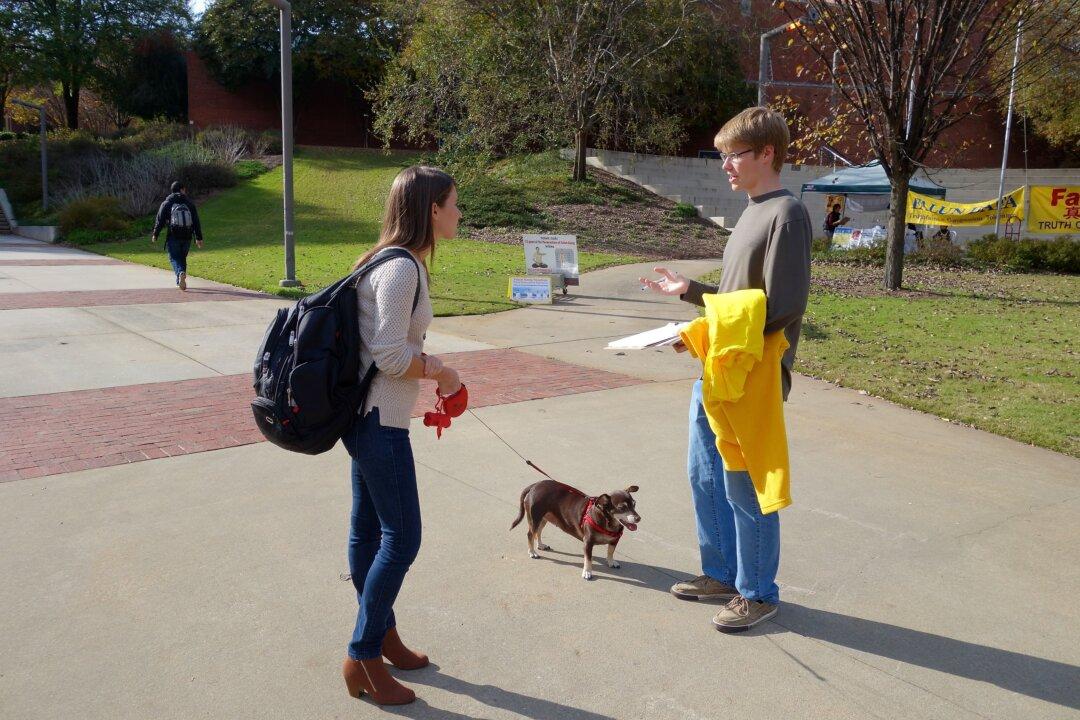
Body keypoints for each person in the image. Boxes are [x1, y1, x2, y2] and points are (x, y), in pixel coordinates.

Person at [639, 107, 812, 633]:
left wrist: (711, 322)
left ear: (767, 154)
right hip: (719, 370)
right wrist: (691, 309)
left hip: (753, 377)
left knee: (744, 486)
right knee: (706, 476)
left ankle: (758, 593)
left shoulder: (788, 215)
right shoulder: (750, 213)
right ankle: (721, 574)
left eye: (734, 155)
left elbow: (779, 307)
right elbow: (738, 303)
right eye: (721, 157)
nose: (725, 166)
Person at [340, 165, 463, 706]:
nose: (459, 213)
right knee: (402, 538)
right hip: (379, 424)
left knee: (369, 534)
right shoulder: (401, 270)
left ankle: (382, 636)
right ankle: (363, 653)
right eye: (454, 203)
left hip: (367, 419)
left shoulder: (383, 261)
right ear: (430, 210)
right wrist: (442, 372)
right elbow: (390, 354)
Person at [151, 181, 203, 291]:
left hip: (173, 235)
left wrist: (155, 234)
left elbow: (160, 220)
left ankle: (180, 274)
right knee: (182, 257)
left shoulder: (167, 203)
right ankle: (180, 278)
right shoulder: (189, 203)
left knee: (174, 257)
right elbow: (196, 221)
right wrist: (198, 238)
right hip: (187, 235)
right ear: (182, 189)